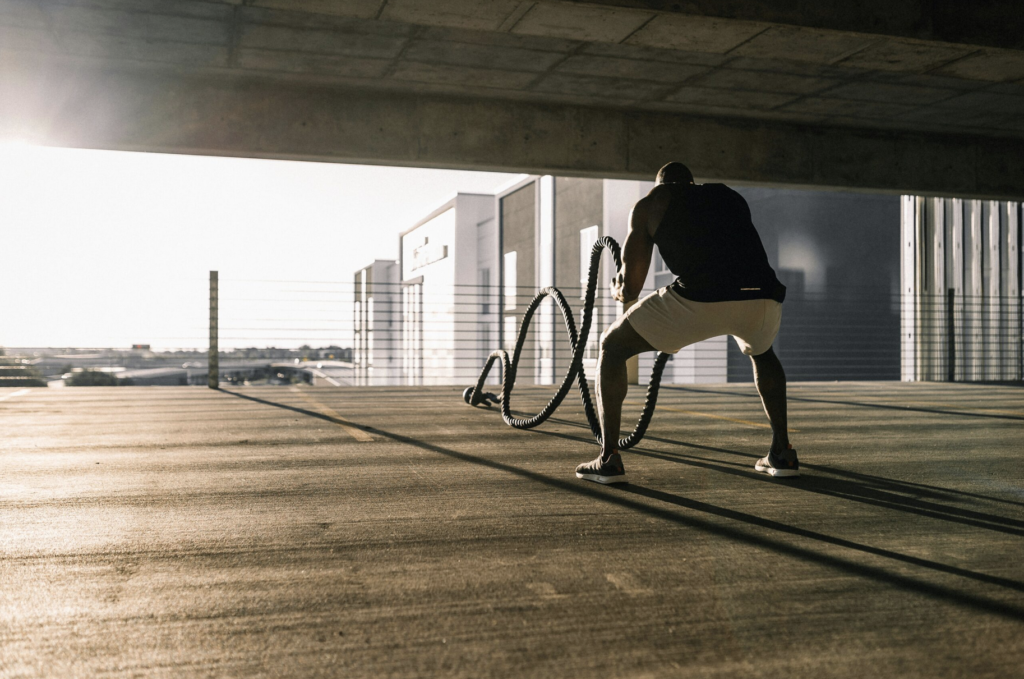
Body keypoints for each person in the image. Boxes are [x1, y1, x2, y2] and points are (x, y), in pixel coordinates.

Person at [574, 162, 798, 484]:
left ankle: (608, 459)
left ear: (660, 184)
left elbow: (632, 287)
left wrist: (618, 287)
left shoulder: (652, 203)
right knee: (763, 354)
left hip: (700, 299)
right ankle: (783, 452)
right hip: (762, 296)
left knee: (612, 346)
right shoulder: (727, 196)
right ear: (692, 183)